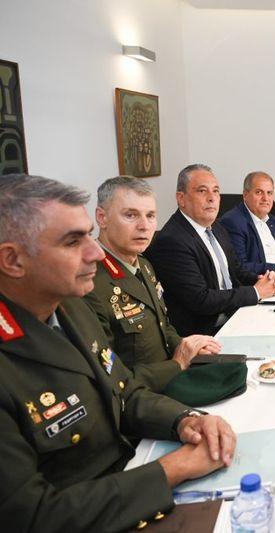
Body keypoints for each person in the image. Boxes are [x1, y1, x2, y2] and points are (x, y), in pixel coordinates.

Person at [0, 174, 236, 532]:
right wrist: (174, 468)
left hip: (131, 478)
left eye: (88, 235)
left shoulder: (68, 307)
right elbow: (33, 515)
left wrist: (185, 419)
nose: (96, 252)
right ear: (13, 260)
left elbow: (122, 390)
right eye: (72, 241)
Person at [83, 177, 221, 392]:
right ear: (102, 218)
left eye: (150, 216)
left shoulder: (144, 265)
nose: (144, 226)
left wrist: (186, 346)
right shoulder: (88, 282)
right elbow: (110, 378)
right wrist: (177, 364)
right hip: (140, 397)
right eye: (130, 215)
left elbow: (162, 326)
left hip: (170, 379)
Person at [145, 164, 275, 336]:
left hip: (235, 316)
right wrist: (255, 292)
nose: (212, 198)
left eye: (216, 191)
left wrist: (263, 280)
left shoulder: (216, 227)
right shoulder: (172, 240)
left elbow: (236, 271)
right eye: (202, 191)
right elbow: (201, 299)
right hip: (206, 334)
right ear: (181, 198)